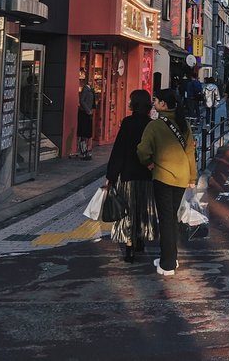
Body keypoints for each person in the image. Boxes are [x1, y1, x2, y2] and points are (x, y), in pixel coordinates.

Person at [137, 89, 197, 277]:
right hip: (181, 177)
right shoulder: (184, 124)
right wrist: (192, 178)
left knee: (166, 219)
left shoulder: (154, 126)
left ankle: (167, 263)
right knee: (171, 217)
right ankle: (171, 256)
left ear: (163, 104)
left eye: (156, 101)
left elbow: (142, 150)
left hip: (163, 177)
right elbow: (190, 153)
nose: (153, 104)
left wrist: (148, 163)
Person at [105, 89, 158, 263]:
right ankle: (141, 239)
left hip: (128, 174)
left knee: (128, 210)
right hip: (146, 175)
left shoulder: (127, 123)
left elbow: (119, 150)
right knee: (143, 208)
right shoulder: (151, 124)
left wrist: (111, 176)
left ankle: (129, 246)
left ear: (134, 103)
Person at [75, 76, 95, 160]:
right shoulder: (85, 89)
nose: (92, 82)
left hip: (88, 113)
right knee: (83, 132)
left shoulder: (91, 89)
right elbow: (82, 100)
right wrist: (87, 110)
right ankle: (83, 151)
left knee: (87, 133)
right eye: (90, 80)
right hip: (84, 113)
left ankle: (85, 150)